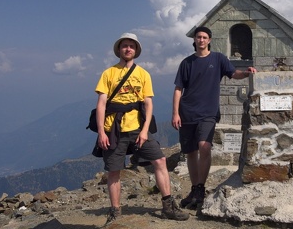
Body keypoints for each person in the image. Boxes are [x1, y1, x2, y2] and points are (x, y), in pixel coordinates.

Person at [95, 33, 188, 225]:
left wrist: (145, 131)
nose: (128, 49)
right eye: (125, 46)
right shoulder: (108, 73)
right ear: (119, 50)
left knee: (160, 160)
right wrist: (101, 133)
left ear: (136, 51)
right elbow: (101, 104)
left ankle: (168, 206)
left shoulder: (143, 74)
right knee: (114, 170)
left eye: (131, 46)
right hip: (114, 128)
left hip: (137, 128)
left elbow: (148, 104)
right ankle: (115, 212)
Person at [171, 26, 257, 209]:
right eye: (198, 37)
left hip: (208, 113)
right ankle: (194, 189)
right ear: (194, 40)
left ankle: (201, 188)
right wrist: (175, 113)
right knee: (191, 152)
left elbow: (234, 74)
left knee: (205, 146)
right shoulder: (186, 63)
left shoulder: (218, 59)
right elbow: (178, 89)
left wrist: (246, 73)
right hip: (187, 112)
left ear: (209, 40)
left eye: (204, 37)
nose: (201, 40)